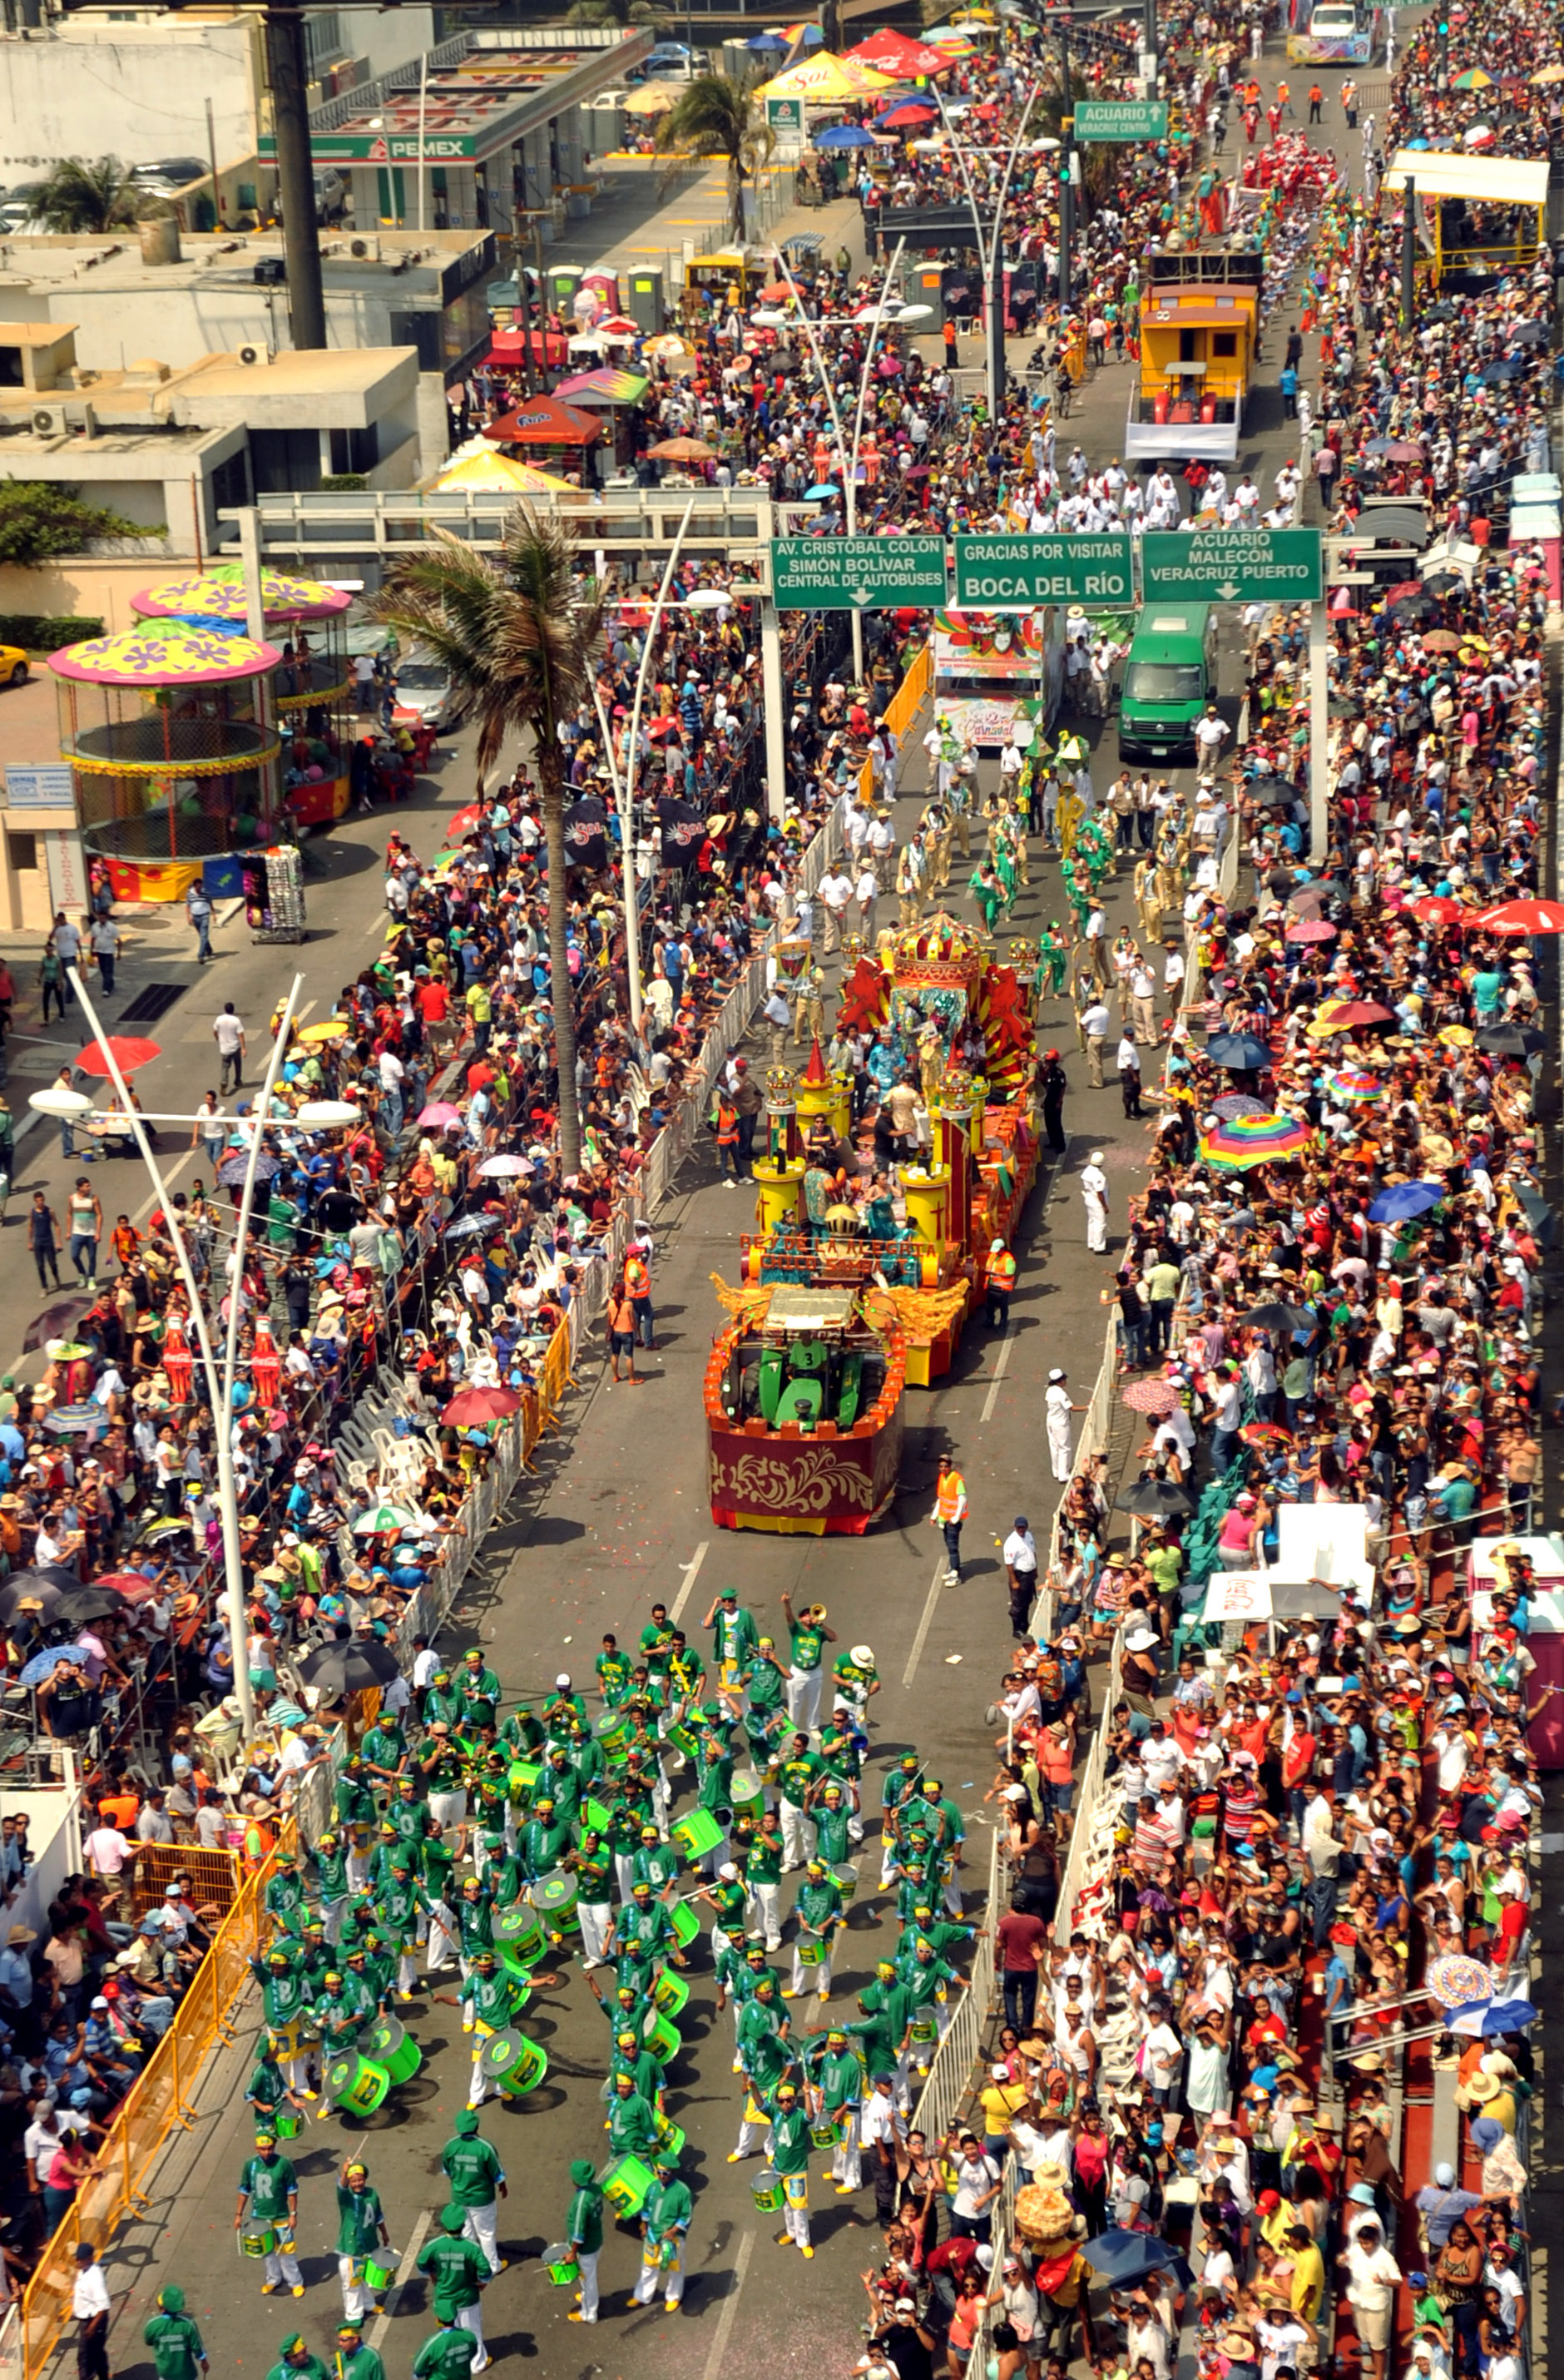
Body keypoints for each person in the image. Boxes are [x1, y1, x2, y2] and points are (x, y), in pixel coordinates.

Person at [440, 2110, 506, 2277]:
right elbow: (497, 2174)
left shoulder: (450, 2146)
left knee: (466, 2233)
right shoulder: (485, 2147)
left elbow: (447, 2171)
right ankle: (492, 2266)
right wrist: (503, 2187)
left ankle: (470, 2266)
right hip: (482, 2199)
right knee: (486, 2233)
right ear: (477, 2126)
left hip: (459, 2198)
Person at [565, 2157, 604, 2324]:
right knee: (588, 2277)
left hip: (586, 2247)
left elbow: (579, 2232)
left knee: (588, 2279)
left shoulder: (581, 2201)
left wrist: (572, 2252)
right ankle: (587, 2299)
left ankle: (589, 2313)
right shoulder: (596, 2189)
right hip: (597, 2239)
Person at [142, 2285, 207, 2380]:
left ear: (162, 2308)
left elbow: (148, 2341)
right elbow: (198, 2348)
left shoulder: (152, 2326)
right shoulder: (188, 2325)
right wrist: (204, 2361)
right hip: (187, 2374)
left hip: (166, 2374)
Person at [72, 2242, 111, 2380]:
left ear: (90, 2258)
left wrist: (92, 2327)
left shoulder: (95, 2278)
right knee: (97, 2353)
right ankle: (104, 2376)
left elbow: (104, 2307)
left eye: (81, 2259)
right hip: (87, 2320)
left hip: (93, 2321)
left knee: (85, 2358)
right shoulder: (83, 2270)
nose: (77, 2261)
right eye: (77, 2258)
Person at [932, 1455, 968, 1586]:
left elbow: (962, 1499)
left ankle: (955, 1575)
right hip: (944, 1518)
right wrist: (934, 1516)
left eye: (946, 1466)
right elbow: (941, 1499)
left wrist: (956, 1517)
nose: (943, 1469)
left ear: (950, 1465)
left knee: (952, 1546)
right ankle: (955, 1568)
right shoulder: (942, 1478)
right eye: (941, 1466)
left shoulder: (957, 1479)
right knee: (948, 1544)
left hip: (953, 1520)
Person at [1001, 1518, 1037, 1636]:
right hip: (1019, 1575)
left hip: (1029, 1574)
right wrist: (1014, 1581)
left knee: (1027, 1600)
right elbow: (1009, 1564)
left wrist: (1035, 1569)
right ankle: (1016, 1629)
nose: (1021, 1530)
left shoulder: (1029, 1536)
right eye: (1019, 1527)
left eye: (1023, 1527)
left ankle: (1024, 1624)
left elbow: (1033, 1552)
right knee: (1018, 1603)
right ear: (1015, 1527)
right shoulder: (1011, 1542)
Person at [1046, 1371, 1080, 1483]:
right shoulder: (1060, 1393)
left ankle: (1056, 1471)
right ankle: (1064, 1474)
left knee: (1054, 1446)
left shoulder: (1050, 1390)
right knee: (1065, 1448)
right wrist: (1088, 1407)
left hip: (1051, 1420)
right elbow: (1072, 1408)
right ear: (1060, 1381)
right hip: (1060, 1423)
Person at [1080, 1151, 1108, 1254]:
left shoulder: (1088, 1170)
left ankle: (1091, 1243)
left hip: (1089, 1198)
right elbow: (1099, 1192)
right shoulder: (1098, 1175)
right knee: (1100, 1224)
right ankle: (1099, 1247)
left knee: (1092, 1221)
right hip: (1097, 1201)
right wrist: (1105, 1206)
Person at [213, 1004, 245, 1093]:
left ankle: (224, 1081)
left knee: (225, 1067)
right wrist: (243, 1048)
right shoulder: (236, 1020)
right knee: (237, 1064)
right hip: (235, 1047)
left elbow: (215, 1031)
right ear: (233, 1010)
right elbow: (241, 1035)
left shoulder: (219, 1019)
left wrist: (217, 1038)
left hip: (224, 1048)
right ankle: (237, 1081)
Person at [986, 1239, 1017, 1329]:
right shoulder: (993, 1256)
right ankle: (989, 1321)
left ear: (1002, 1249)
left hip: (1002, 1288)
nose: (996, 1252)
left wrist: (997, 1274)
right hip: (992, 1286)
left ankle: (1003, 1323)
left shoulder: (1008, 1259)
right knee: (989, 1306)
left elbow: (1009, 1273)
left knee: (1003, 1308)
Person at [186, 879, 214, 964]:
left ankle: (200, 956)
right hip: (195, 917)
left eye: (201, 886)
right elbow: (187, 906)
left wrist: (214, 914)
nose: (199, 888)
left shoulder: (206, 893)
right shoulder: (190, 894)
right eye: (198, 886)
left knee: (203, 935)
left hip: (205, 915)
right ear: (194, 886)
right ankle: (209, 949)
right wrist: (189, 917)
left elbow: (210, 903)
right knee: (202, 936)